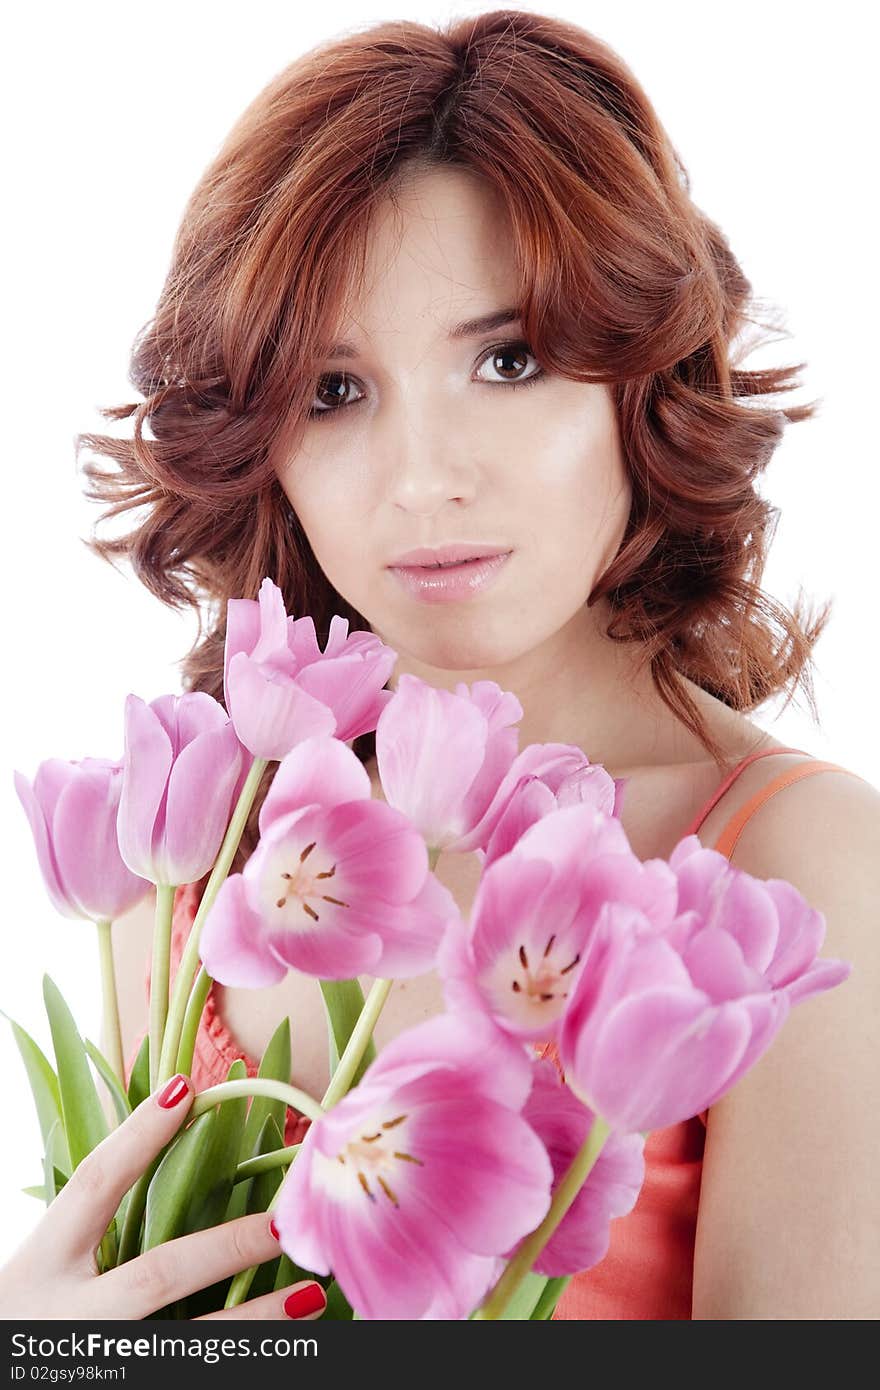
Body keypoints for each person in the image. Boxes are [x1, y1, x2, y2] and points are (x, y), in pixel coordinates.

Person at [8, 10, 880, 1319]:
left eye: (509, 358)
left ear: (644, 381)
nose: (425, 480)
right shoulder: (191, 861)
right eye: (335, 390)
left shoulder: (789, 870)